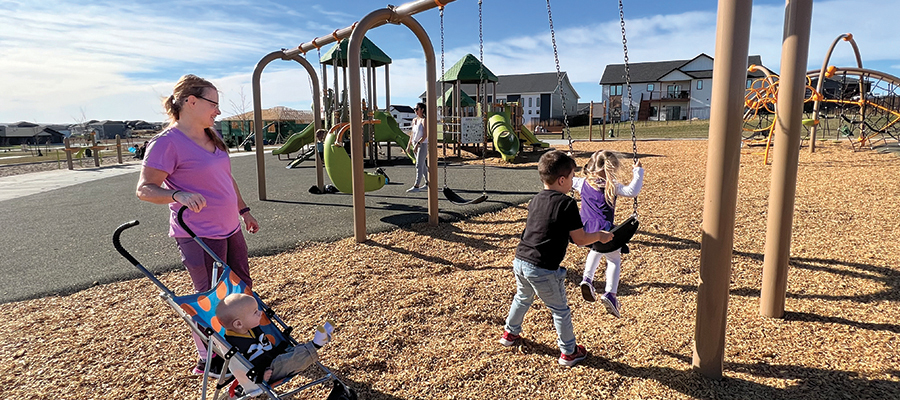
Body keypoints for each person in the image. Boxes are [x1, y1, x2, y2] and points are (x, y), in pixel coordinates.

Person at [136, 74, 260, 375]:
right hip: (198, 234)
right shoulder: (166, 143)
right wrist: (177, 193)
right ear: (191, 102)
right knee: (208, 298)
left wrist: (244, 211)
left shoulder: (212, 135)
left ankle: (245, 346)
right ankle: (211, 359)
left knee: (242, 289)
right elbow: (145, 189)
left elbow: (226, 179)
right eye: (213, 103)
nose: (218, 111)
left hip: (230, 227)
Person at [498, 150, 613, 367]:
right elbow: (579, 239)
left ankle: (509, 334)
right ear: (562, 180)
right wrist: (599, 236)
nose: (572, 181)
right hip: (543, 267)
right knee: (560, 310)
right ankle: (569, 352)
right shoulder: (567, 204)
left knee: (522, 298)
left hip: (521, 260)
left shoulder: (535, 200)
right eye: (571, 177)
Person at [573, 150, 644, 318]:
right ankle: (610, 293)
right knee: (613, 259)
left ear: (590, 165)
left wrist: (570, 165)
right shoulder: (612, 186)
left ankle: (587, 280)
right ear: (611, 169)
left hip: (585, 229)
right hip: (605, 230)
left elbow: (567, 182)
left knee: (596, 249)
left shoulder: (581, 183)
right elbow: (632, 191)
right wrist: (638, 172)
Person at [216, 293, 334, 383]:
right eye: (255, 312)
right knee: (290, 360)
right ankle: (316, 344)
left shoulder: (250, 328)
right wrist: (261, 375)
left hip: (275, 355)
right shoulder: (233, 344)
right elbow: (243, 370)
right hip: (269, 370)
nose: (260, 313)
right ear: (238, 324)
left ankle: (315, 343)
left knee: (293, 351)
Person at [405, 102, 428, 193]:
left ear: (422, 110)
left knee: (419, 164)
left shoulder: (424, 120)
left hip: (422, 144)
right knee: (423, 165)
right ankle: (427, 183)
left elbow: (425, 135)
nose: (415, 111)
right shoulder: (414, 120)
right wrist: (409, 145)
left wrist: (418, 144)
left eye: (416, 109)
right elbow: (412, 134)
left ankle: (416, 185)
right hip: (415, 143)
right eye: (414, 109)